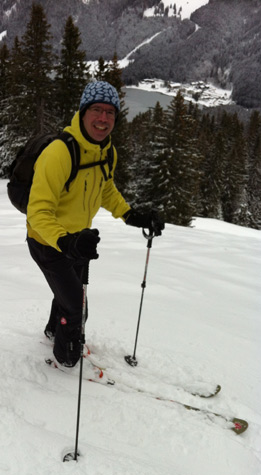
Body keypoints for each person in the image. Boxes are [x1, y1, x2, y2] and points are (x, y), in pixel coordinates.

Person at [26, 81, 164, 368]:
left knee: (68, 294)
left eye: (110, 112)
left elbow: (106, 189)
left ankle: (53, 332)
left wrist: (131, 215)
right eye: (97, 110)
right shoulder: (59, 153)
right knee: (77, 307)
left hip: (78, 241)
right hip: (47, 242)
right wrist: (66, 242)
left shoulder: (106, 151)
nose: (103, 118)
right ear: (83, 111)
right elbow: (37, 212)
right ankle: (66, 359)